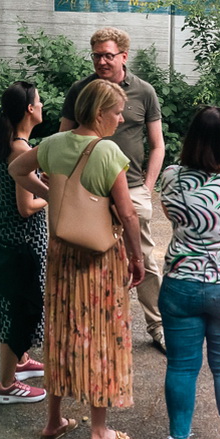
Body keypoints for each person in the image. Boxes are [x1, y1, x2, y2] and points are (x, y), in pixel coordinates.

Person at [10, 79, 145, 439]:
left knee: (61, 332)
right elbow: (128, 214)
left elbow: (17, 169)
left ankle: (53, 421)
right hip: (99, 259)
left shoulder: (53, 143)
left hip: (62, 255)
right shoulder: (107, 152)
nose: (120, 119)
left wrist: (51, 194)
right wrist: (137, 258)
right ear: (100, 113)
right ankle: (99, 432)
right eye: (117, 112)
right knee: (100, 335)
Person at [60, 27, 167, 355]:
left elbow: (157, 145)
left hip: (132, 188)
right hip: (90, 191)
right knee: (93, 259)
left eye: (108, 55)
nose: (101, 61)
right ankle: (95, 327)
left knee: (143, 257)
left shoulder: (144, 91)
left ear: (123, 56)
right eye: (96, 56)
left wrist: (147, 187)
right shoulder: (81, 90)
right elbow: (64, 139)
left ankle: (158, 326)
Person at [158, 106, 220, 439]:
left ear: (192, 138)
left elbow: (172, 217)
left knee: (181, 366)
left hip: (181, 282)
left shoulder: (171, 177)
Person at [0, 81, 48, 404]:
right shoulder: (22, 150)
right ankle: (7, 385)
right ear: (29, 109)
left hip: (5, 234)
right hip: (22, 240)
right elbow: (26, 207)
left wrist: (39, 183)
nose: (42, 105)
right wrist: (52, 195)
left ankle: (21, 361)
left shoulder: (7, 142)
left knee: (15, 301)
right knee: (19, 307)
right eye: (39, 101)